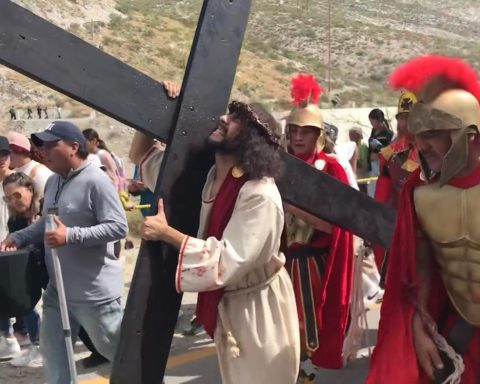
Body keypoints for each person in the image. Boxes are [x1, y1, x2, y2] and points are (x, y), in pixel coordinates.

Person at [133, 82, 300, 384]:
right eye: (228, 114)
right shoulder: (206, 176)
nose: (223, 119)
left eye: (236, 119)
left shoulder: (258, 193)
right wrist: (167, 107)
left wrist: (166, 233)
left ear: (252, 139)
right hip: (231, 306)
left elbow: (225, 263)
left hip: (258, 309)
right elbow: (141, 156)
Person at [367, 55, 480, 384]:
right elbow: (418, 270)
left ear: (468, 134)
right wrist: (419, 323)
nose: (422, 145)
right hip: (457, 333)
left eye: (433, 134)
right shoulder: (419, 194)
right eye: (420, 134)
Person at [0, 121, 128, 384]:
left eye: (50, 145)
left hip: (92, 293)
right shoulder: (54, 182)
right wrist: (18, 236)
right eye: (41, 145)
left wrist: (70, 236)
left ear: (73, 147)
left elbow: (118, 227)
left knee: (121, 353)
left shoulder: (96, 180)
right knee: (54, 354)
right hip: (58, 291)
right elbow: (47, 224)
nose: (43, 151)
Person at [283, 74, 353, 382]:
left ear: (318, 136)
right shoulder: (278, 165)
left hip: (315, 265)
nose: (299, 138)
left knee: (308, 330)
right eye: (294, 130)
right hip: (282, 264)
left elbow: (337, 225)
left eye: (306, 132)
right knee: (281, 331)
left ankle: (304, 374)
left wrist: (290, 206)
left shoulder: (331, 168)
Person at [0, 172, 46, 368]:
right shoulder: (15, 220)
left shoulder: (43, 212)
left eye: (17, 195)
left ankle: (42, 347)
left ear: (30, 190)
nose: (13, 201)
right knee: (24, 305)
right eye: (8, 198)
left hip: (49, 269)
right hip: (28, 269)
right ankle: (33, 345)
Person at [372, 91, 419, 274]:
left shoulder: (433, 149)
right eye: (402, 118)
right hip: (401, 223)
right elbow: (381, 195)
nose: (406, 124)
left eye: (411, 118)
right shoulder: (389, 153)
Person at [7, 131, 53, 197]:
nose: (4, 157)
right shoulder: (16, 171)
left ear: (19, 150)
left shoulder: (40, 173)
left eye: (7, 152)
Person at [367, 108, 393, 196]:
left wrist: (379, 151)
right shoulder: (373, 131)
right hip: (372, 165)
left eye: (372, 121)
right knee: (371, 190)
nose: (371, 123)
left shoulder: (388, 134)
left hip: (381, 165)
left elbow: (390, 150)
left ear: (379, 120)